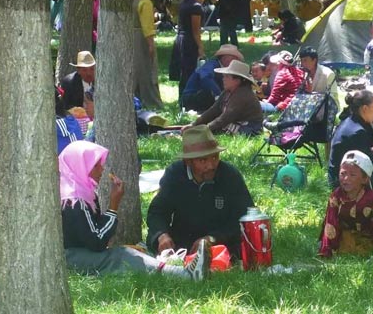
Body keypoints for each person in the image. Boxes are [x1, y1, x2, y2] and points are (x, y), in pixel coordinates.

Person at [59, 141, 211, 278]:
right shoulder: (74, 200)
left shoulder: (80, 192)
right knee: (121, 256)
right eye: (95, 165)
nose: (102, 169)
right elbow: (97, 241)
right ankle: (184, 274)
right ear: (79, 167)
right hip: (69, 258)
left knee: (129, 252)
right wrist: (113, 206)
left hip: (75, 253)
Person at [146, 125, 254, 259]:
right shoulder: (174, 174)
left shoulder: (229, 175)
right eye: (203, 160)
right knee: (154, 237)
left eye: (215, 157)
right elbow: (157, 211)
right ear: (188, 162)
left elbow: (246, 217)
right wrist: (162, 235)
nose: (211, 165)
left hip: (221, 242)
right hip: (183, 242)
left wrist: (212, 238)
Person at [318, 150, 373, 257]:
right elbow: (331, 224)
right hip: (343, 238)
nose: (346, 179)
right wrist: (327, 250)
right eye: (342, 174)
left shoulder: (371, 198)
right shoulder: (336, 197)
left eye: (352, 175)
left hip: (366, 239)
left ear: (365, 179)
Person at [191, 60, 263, 135]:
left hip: (251, 127)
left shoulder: (242, 94)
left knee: (221, 126)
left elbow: (225, 118)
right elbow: (214, 110)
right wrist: (194, 124)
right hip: (235, 122)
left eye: (227, 76)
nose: (223, 79)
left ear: (237, 80)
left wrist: (203, 129)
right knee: (215, 123)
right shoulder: (227, 92)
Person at [170, 0, 209, 104]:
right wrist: (201, 48)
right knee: (190, 72)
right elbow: (195, 31)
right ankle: (186, 100)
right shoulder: (196, 7)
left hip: (180, 39)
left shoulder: (184, 3)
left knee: (184, 71)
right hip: (189, 42)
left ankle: (181, 98)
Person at [182, 44, 244, 112]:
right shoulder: (212, 64)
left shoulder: (224, 68)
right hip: (192, 97)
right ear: (225, 58)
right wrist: (219, 95)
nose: (236, 60)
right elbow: (205, 78)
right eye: (233, 58)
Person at [133, 0, 163, 110]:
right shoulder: (146, 3)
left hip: (131, 38)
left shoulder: (134, 0)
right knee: (148, 70)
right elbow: (147, 27)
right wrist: (151, 44)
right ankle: (151, 101)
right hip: (142, 39)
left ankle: (136, 97)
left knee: (135, 70)